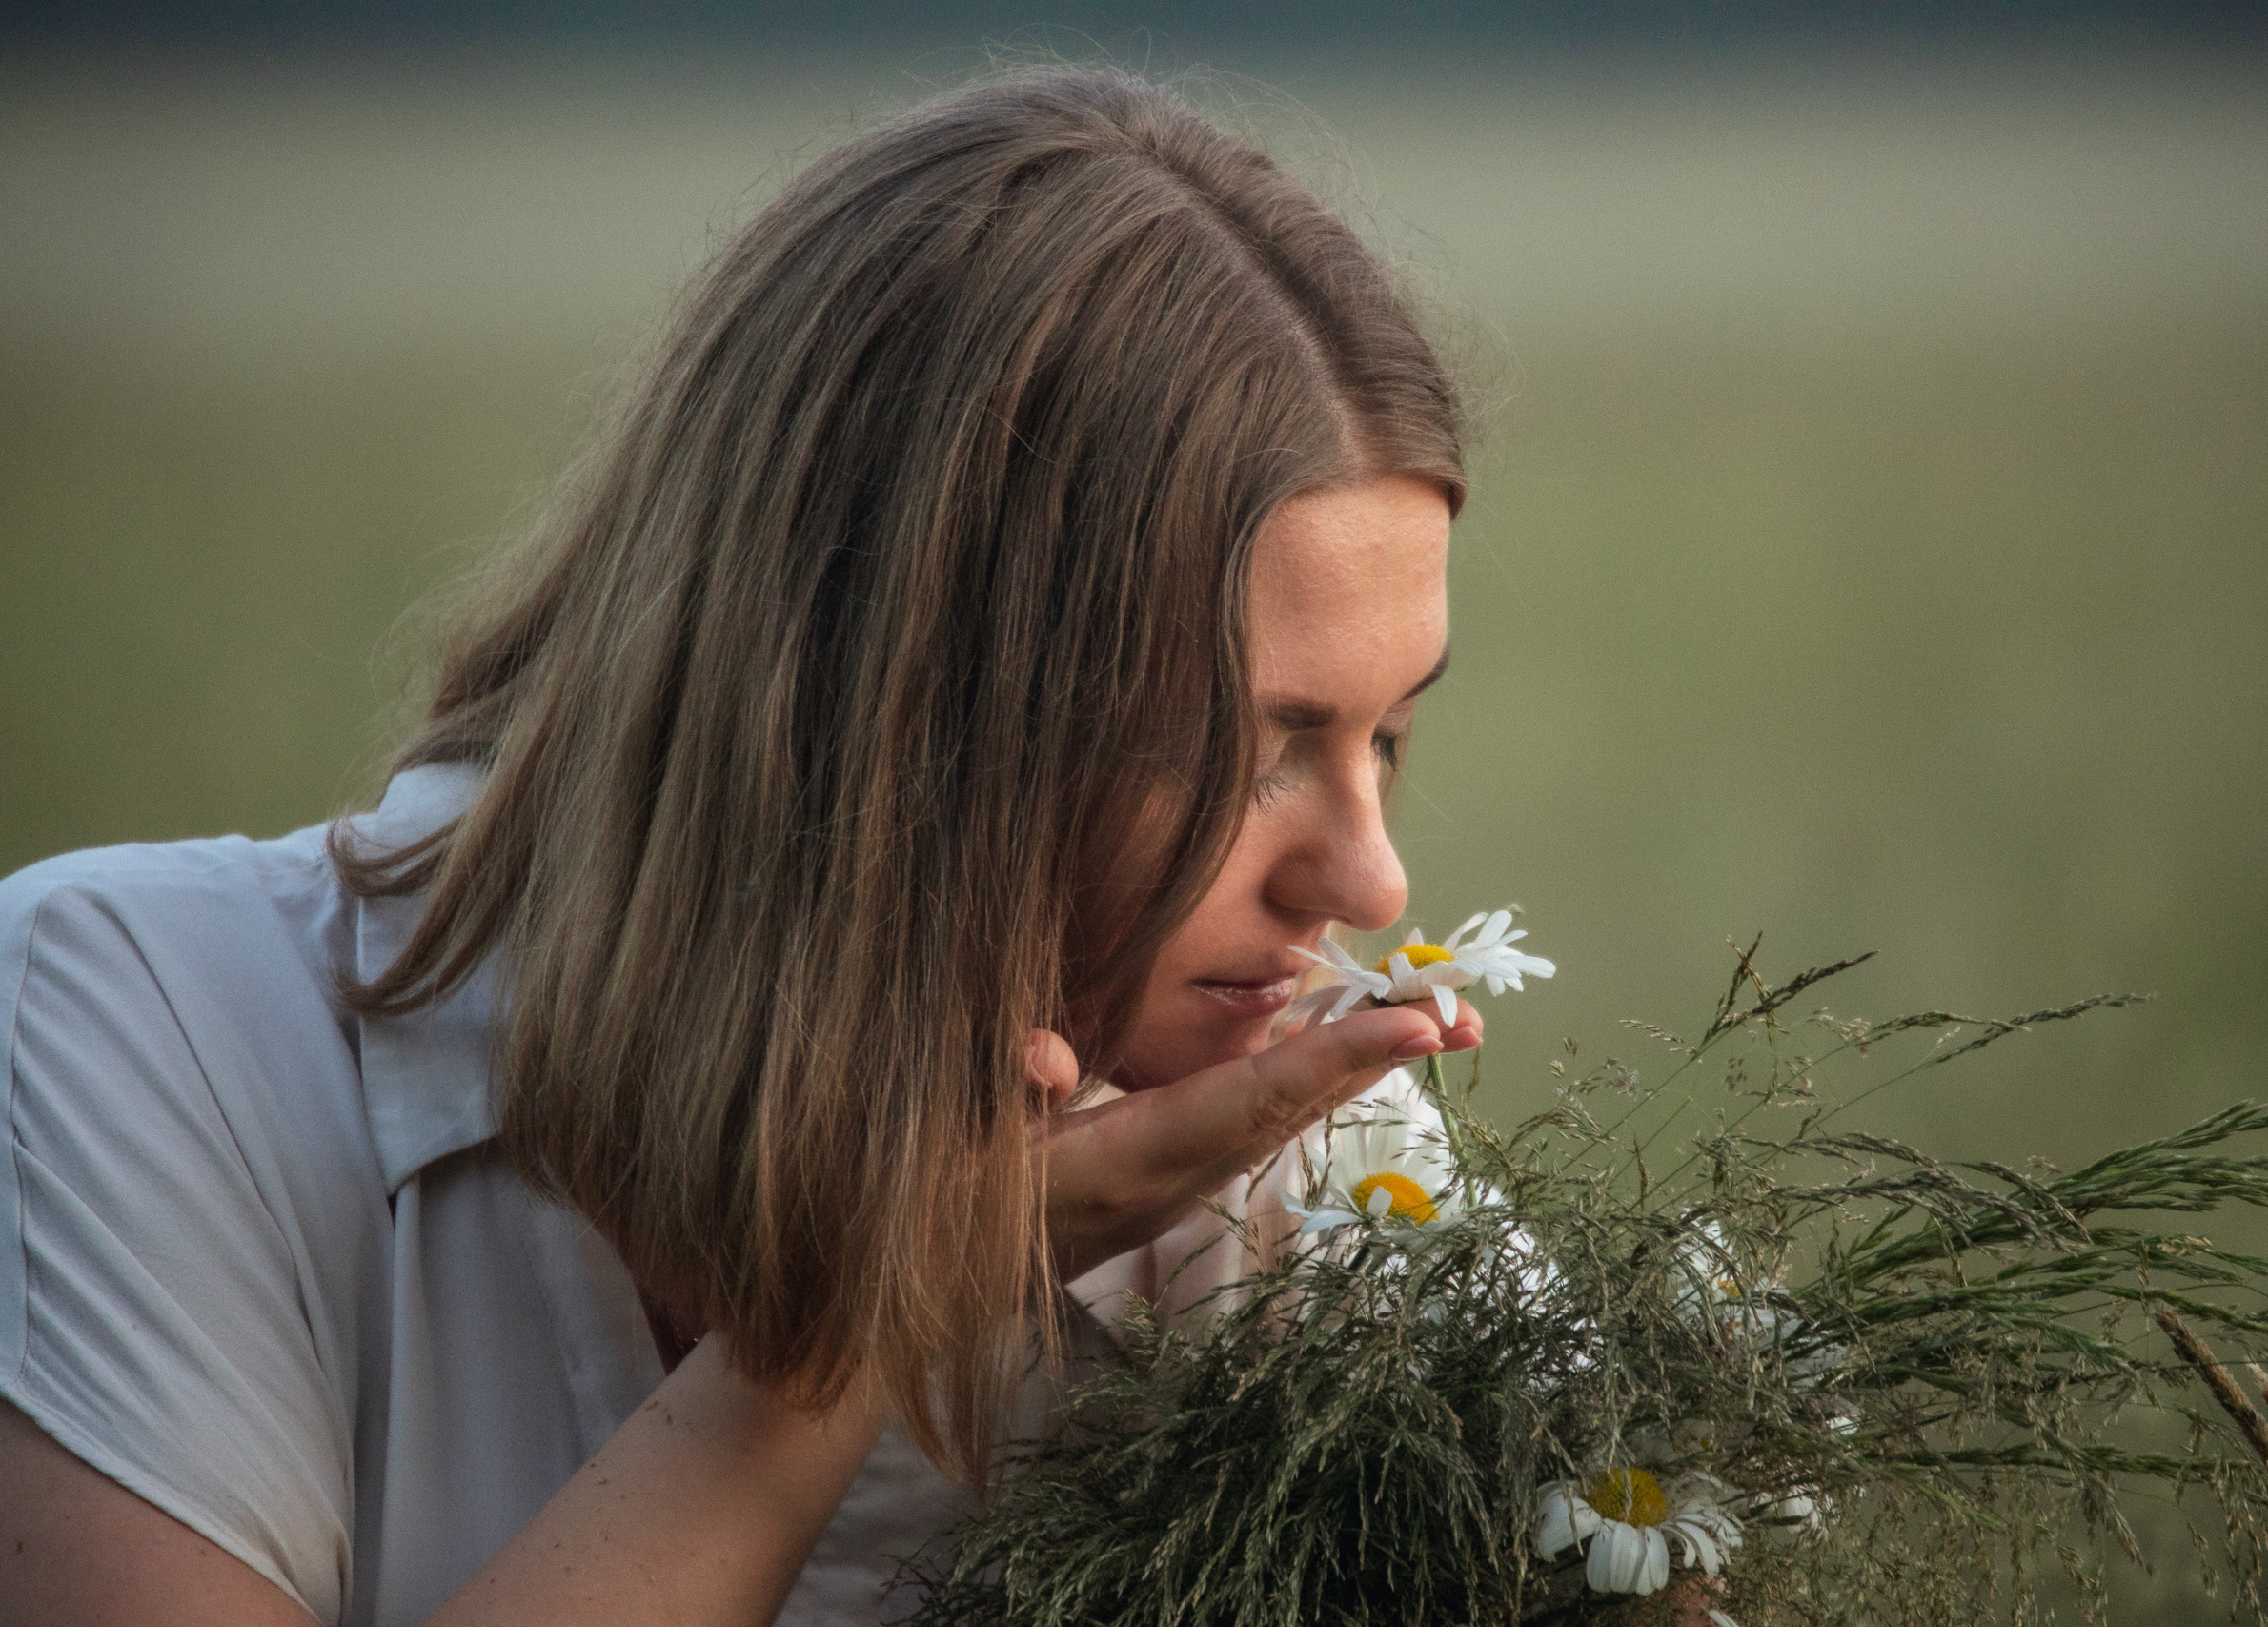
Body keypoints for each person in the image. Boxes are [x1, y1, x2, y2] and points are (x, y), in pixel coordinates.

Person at [0, 65, 1487, 1627]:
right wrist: (859, 1330)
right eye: (1239, 755)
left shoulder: (1305, 1158)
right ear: (888, 705)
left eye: (1385, 736)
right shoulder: (147, 1028)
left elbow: (1621, 1522)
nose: (1371, 885)